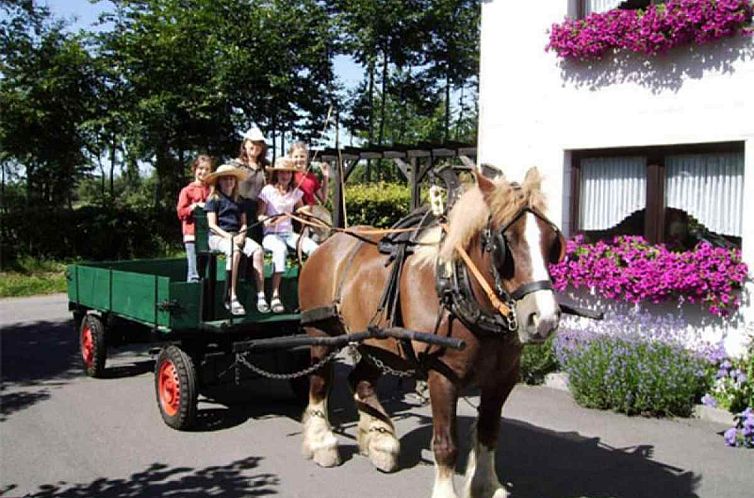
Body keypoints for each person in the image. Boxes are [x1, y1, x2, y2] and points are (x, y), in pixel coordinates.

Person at [204, 164, 269, 315]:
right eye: (225, 179)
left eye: (231, 179)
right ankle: (231, 296)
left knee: (258, 250)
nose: (229, 182)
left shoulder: (239, 200)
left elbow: (244, 223)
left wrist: (241, 234)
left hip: (237, 235)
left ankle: (260, 295)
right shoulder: (213, 199)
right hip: (218, 237)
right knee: (235, 251)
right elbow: (212, 225)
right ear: (219, 181)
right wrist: (230, 238)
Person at [257, 157, 319, 313]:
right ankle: (275, 295)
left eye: (289, 173)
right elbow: (259, 215)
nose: (285, 176)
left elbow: (303, 210)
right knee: (280, 249)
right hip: (271, 235)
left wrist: (304, 211)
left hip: (289, 234)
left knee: (314, 248)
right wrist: (265, 220)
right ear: (276, 174)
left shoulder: (295, 193)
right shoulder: (267, 191)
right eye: (282, 173)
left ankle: (311, 290)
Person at [176, 155, 212, 282]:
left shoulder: (212, 191)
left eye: (207, 169)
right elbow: (181, 212)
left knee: (204, 272)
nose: (204, 172)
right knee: (193, 272)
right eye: (201, 168)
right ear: (195, 169)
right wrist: (194, 207)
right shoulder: (187, 190)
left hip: (208, 236)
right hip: (192, 235)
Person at [234, 126, 269, 243]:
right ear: (245, 144)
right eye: (252, 143)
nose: (255, 146)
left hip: (259, 212)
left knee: (257, 245)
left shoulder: (265, 167)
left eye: (259, 143)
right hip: (240, 212)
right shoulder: (236, 165)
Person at [289, 141, 329, 205]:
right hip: (293, 213)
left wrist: (325, 176)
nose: (299, 159)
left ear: (307, 157)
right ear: (291, 158)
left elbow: (323, 199)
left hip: (310, 212)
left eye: (302, 156)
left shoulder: (312, 177)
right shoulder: (288, 176)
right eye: (296, 156)